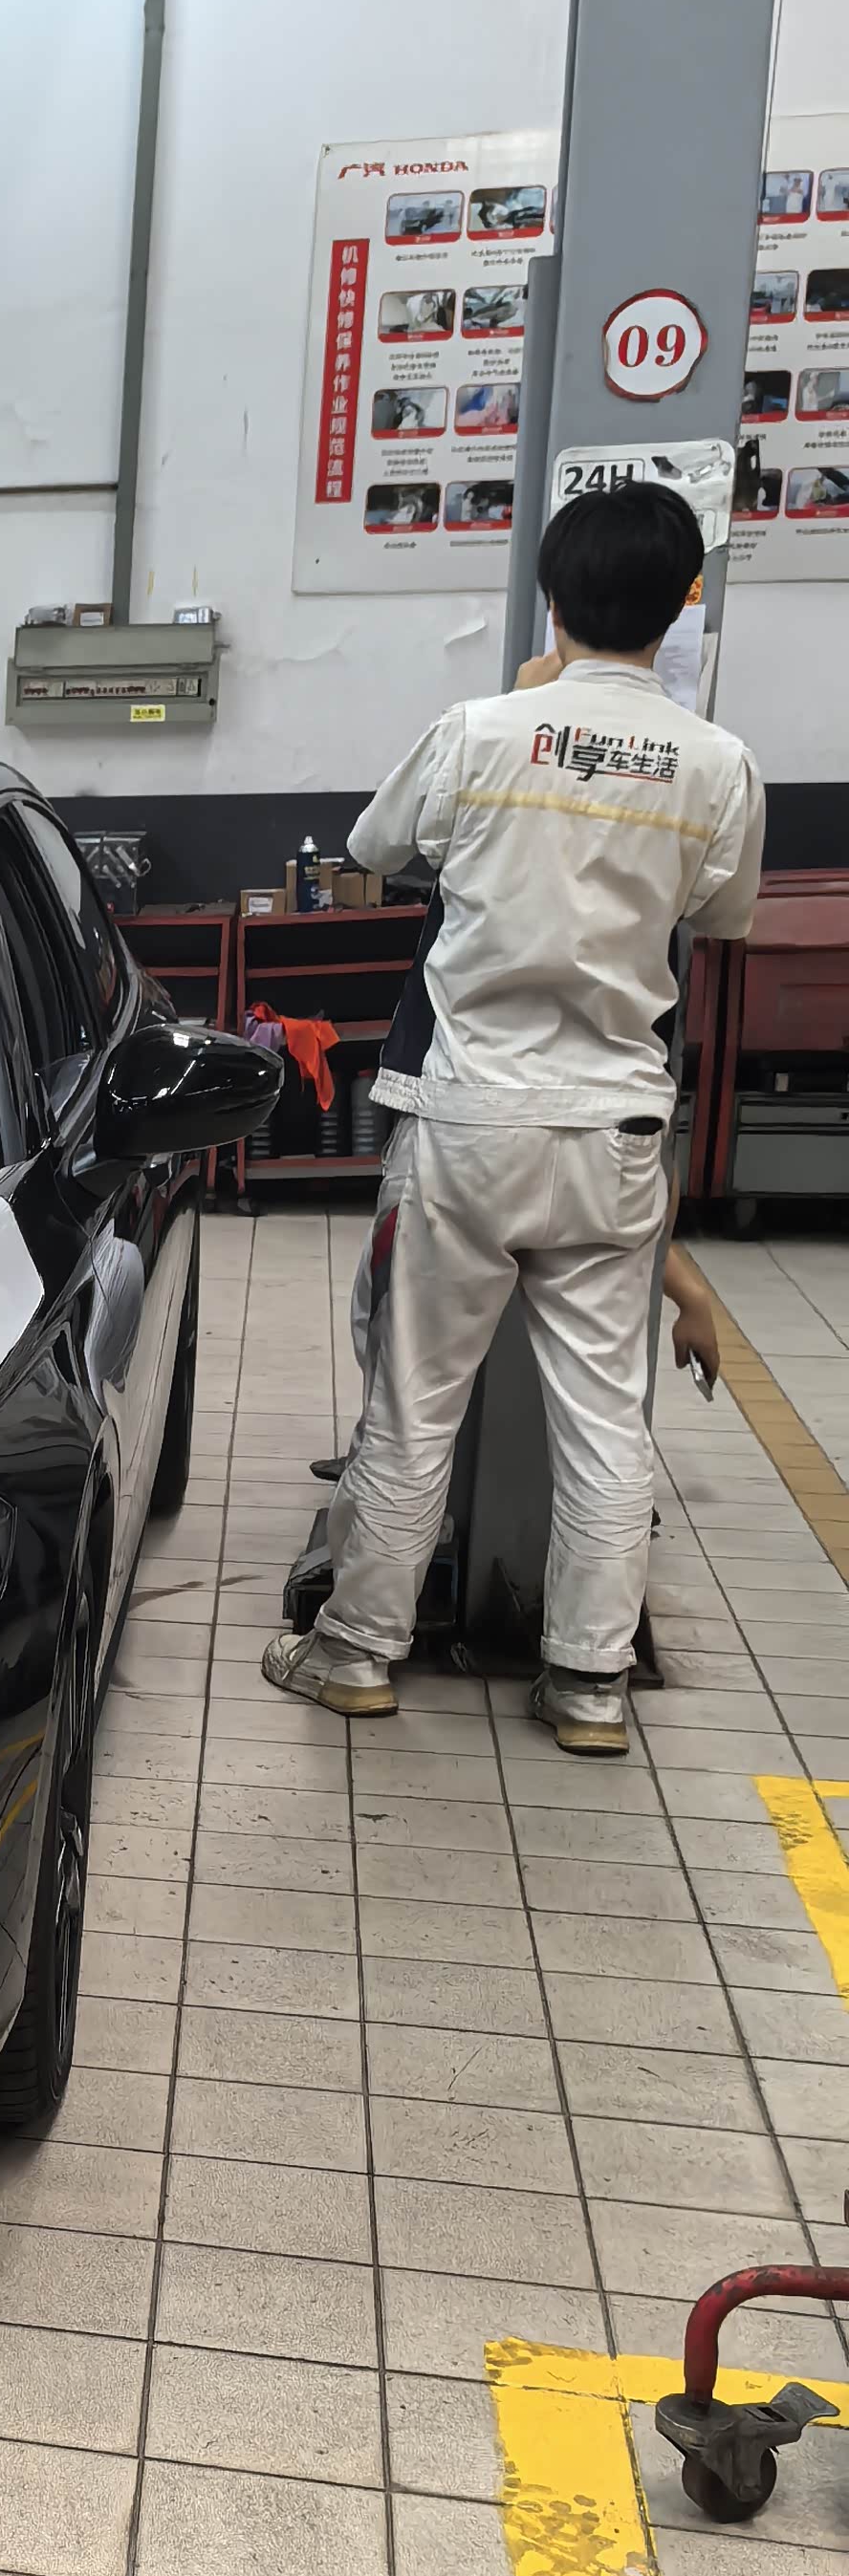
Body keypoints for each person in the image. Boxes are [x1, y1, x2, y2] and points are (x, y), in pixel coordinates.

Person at [265, 479, 763, 1754]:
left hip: (471, 1119)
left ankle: (358, 1655)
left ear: (551, 600)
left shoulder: (480, 732)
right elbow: (722, 915)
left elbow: (375, 845)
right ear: (682, 605)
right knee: (605, 1422)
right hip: (614, 1136)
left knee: (414, 1403)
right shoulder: (719, 765)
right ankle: (589, 1684)